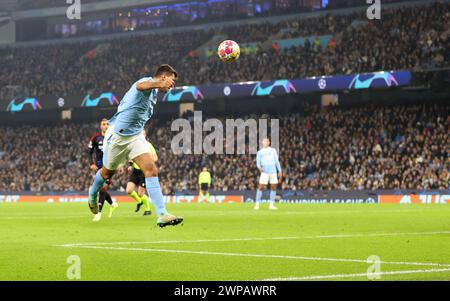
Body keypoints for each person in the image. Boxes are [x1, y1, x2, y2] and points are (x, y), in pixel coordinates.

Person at [87, 64, 183, 228]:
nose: (172, 84)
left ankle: (162, 214)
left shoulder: (154, 93)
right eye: (171, 80)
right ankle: (92, 194)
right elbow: (140, 86)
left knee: (151, 170)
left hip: (136, 137)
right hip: (117, 136)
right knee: (106, 173)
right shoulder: (146, 83)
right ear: (163, 77)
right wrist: (158, 84)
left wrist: (158, 86)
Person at [88, 118, 118, 222]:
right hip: (98, 167)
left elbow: (119, 151)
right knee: (101, 188)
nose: (105, 126)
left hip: (109, 167)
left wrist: (120, 164)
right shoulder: (95, 138)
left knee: (103, 188)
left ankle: (98, 213)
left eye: (107, 124)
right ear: (101, 126)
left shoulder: (113, 137)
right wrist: (91, 163)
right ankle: (112, 203)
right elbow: (89, 151)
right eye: (103, 124)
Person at [126, 130, 156, 216]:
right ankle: (139, 202)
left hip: (144, 171)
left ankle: (148, 209)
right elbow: (131, 157)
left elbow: (155, 157)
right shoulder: (135, 146)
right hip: (135, 171)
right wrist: (130, 165)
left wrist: (148, 162)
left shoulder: (148, 145)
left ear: (145, 135)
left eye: (143, 134)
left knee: (140, 193)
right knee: (129, 190)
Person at [254, 138, 282, 210]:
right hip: (265, 172)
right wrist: (259, 168)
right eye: (264, 141)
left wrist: (279, 170)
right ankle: (257, 204)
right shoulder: (260, 152)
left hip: (273, 172)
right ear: (262, 143)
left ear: (269, 142)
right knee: (261, 187)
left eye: (267, 141)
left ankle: (271, 205)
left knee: (273, 187)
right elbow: (257, 163)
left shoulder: (273, 150)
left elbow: (276, 161)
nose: (265, 142)